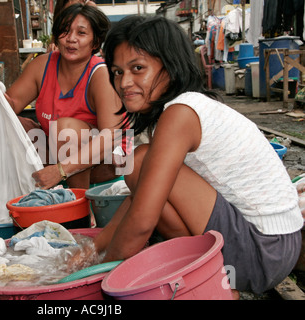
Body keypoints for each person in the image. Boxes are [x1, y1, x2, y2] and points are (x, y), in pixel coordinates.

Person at [77, 15, 303, 297]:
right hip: (276, 245)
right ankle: (208, 272)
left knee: (139, 162)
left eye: (137, 68)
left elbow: (142, 221)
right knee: (142, 168)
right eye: (118, 71)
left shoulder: (181, 114)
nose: (124, 82)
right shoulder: (184, 108)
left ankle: (210, 275)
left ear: (171, 68)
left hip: (262, 249)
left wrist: (99, 282)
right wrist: (91, 250)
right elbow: (140, 201)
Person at [0, 4, 126, 189]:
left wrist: (60, 170)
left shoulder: (100, 75)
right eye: (65, 31)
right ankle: (22, 190)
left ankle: (77, 205)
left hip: (104, 162)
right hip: (57, 152)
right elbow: (12, 105)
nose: (71, 39)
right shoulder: (42, 65)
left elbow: (111, 137)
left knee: (66, 130)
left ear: (95, 43)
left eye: (81, 33)